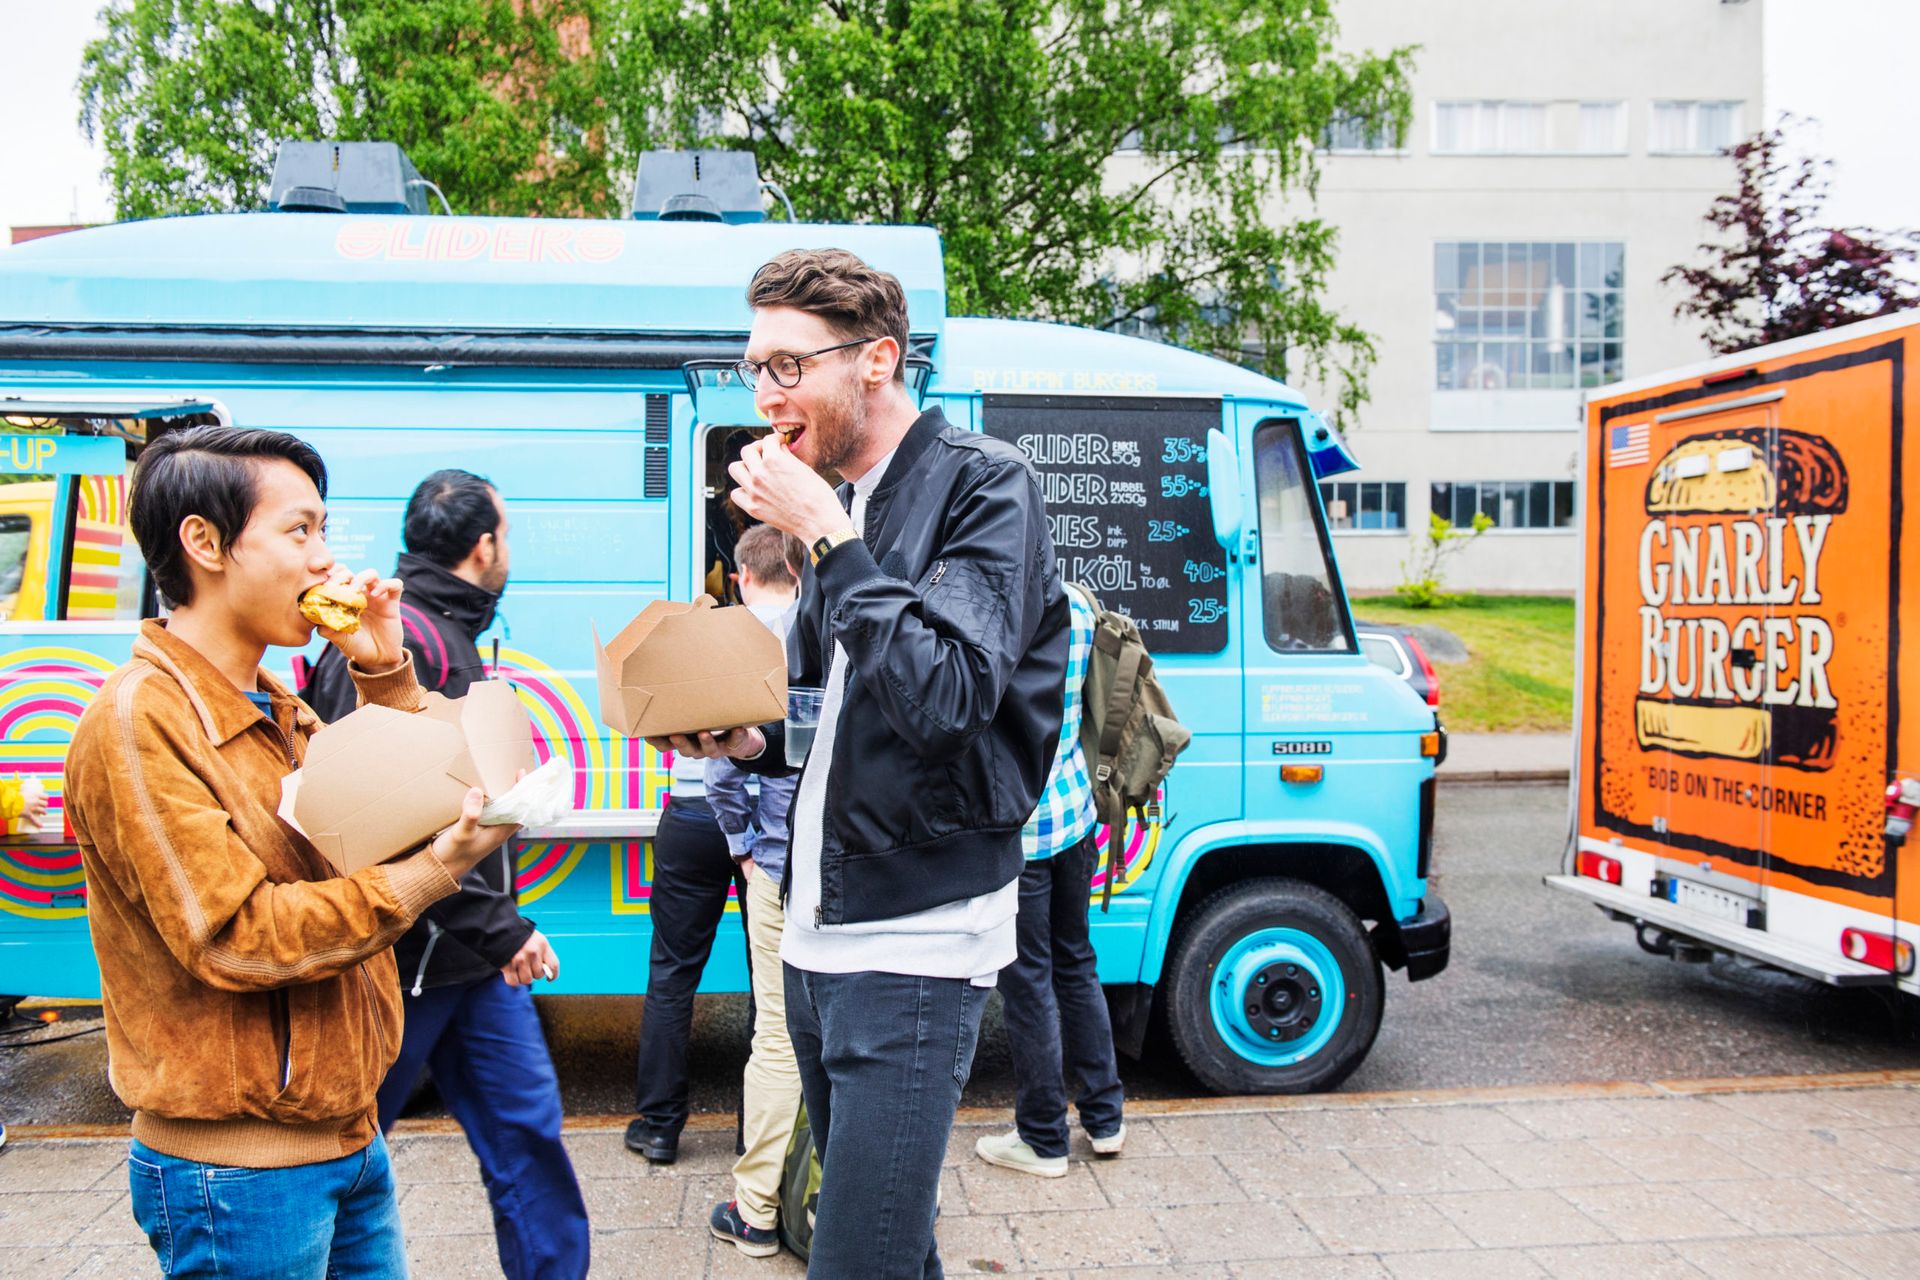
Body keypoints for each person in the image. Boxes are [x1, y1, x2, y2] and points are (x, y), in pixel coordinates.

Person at [656, 248, 1067, 1279]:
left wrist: (829, 537)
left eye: (789, 365)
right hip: (816, 933)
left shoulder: (982, 485)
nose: (764, 393)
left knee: (854, 1260)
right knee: (887, 1243)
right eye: (754, 367)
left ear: (876, 358)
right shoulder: (851, 502)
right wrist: (747, 740)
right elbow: (845, 717)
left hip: (916, 944)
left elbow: (949, 698)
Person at [63, 426, 518, 1278]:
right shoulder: (141, 722)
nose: (324, 561)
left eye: (324, 531)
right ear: (204, 543)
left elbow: (389, 825)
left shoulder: (279, 702)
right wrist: (437, 871)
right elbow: (239, 935)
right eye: (299, 531)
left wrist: (386, 675)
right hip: (237, 1174)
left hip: (344, 1140)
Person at [303, 469, 590, 1280]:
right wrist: (499, 924)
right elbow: (378, 821)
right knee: (345, 1150)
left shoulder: (443, 633)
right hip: (405, 958)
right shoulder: (398, 647)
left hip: (468, 963)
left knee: (527, 1133)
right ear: (484, 545)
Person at [975, 585, 1127, 1177]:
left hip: (1024, 829)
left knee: (1028, 984)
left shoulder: (1002, 607)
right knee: (1077, 964)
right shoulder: (1079, 602)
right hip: (1075, 813)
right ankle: (1105, 1117)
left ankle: (1042, 1138)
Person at [702, 525, 802, 1256]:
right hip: (847, 864)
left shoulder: (737, 646)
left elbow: (720, 769)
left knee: (778, 1035)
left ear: (742, 575)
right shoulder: (833, 626)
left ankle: (758, 1208)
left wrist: (741, 849)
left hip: (774, 865)